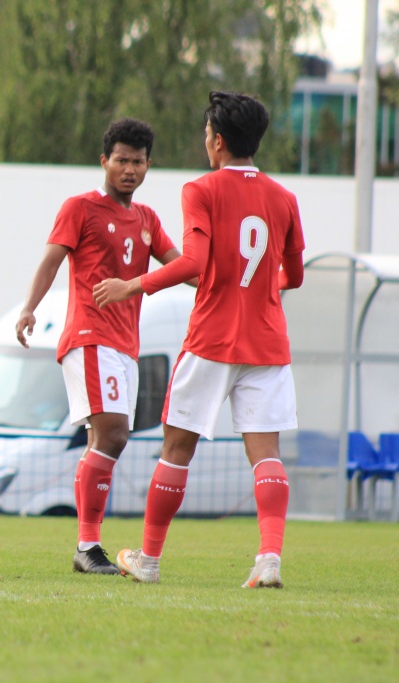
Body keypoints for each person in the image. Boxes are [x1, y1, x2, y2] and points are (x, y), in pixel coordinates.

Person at [93, 91, 305, 587]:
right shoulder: (284, 198)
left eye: (207, 134)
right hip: (268, 342)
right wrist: (256, 289)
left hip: (211, 338)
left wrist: (132, 284)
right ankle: (269, 559)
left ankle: (148, 559)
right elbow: (291, 276)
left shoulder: (202, 189)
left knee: (177, 448)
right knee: (265, 453)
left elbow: (192, 264)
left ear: (218, 141)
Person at [14, 119, 181, 575]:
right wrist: (30, 308)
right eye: (121, 159)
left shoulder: (147, 219)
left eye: (138, 161)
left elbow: (181, 266)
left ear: (149, 165)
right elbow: (51, 260)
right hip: (89, 337)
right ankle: (87, 545)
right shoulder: (81, 208)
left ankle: (88, 546)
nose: (130, 169)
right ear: (104, 161)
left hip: (126, 346)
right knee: (113, 434)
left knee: (102, 439)